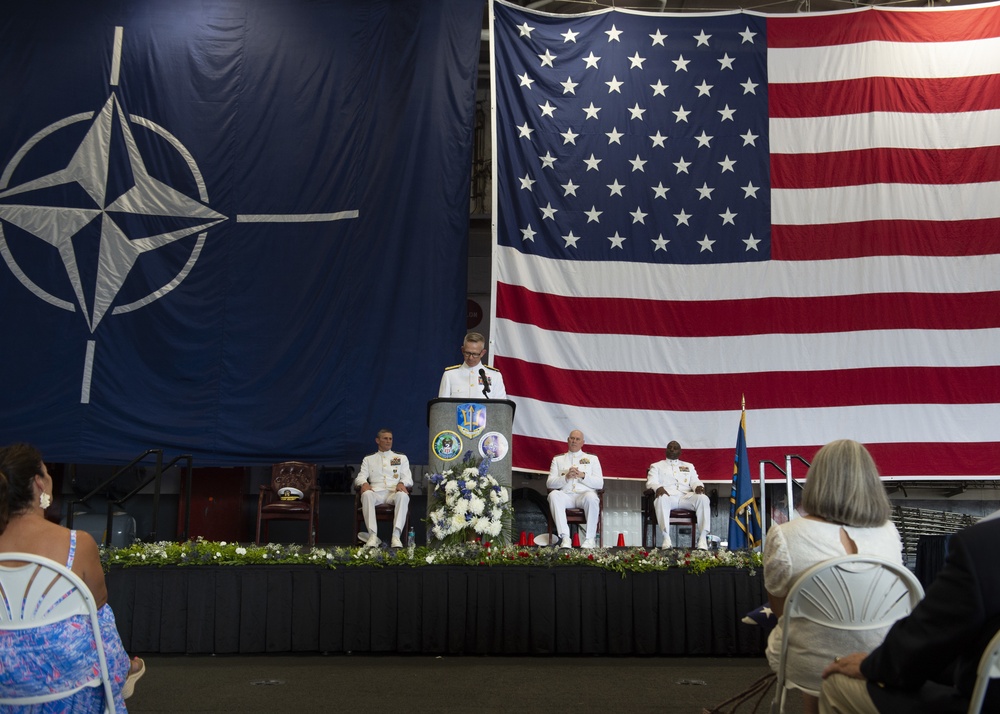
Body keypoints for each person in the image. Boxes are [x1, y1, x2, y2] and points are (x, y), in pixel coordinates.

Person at [0, 443, 145, 711]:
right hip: (66, 681)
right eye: (47, 472)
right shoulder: (78, 543)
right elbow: (99, 603)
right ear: (39, 483)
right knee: (98, 614)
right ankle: (120, 671)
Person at [763, 439, 902, 714]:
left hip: (811, 660)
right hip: (879, 657)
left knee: (802, 634)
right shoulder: (889, 531)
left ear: (816, 481)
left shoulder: (784, 534)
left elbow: (782, 614)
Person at [820, 515, 1000, 713]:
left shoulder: (984, 544)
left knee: (837, 683)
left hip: (981, 703)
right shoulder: (888, 532)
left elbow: (928, 636)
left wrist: (870, 666)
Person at [645, 440, 710, 550]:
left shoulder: (688, 466)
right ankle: (666, 538)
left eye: (675, 448)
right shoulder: (656, 466)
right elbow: (651, 482)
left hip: (686, 497)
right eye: (670, 447)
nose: (672, 449)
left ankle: (703, 539)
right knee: (661, 498)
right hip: (668, 497)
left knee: (703, 498)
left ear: (680, 452)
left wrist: (698, 486)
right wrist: (658, 488)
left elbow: (694, 480)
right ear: (666, 450)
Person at [354, 429, 413, 548]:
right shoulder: (369, 459)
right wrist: (363, 483)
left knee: (403, 496)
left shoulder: (401, 457)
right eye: (385, 438)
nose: (388, 441)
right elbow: (360, 477)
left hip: (393, 492)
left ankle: (396, 536)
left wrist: (402, 482)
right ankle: (372, 536)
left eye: (390, 439)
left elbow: (408, 478)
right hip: (377, 493)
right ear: (377, 440)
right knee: (366, 494)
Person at [546, 429, 604, 549]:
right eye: (572, 438)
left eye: (577, 439)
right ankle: (565, 538)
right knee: (553, 495)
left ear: (583, 442)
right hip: (566, 495)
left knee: (592, 497)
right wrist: (566, 478)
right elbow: (549, 484)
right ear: (568, 440)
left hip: (583, 495)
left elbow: (600, 484)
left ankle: (590, 539)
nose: (574, 441)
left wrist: (583, 476)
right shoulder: (558, 460)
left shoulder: (592, 459)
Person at [438, 331, 506, 399]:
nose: (470, 358)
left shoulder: (495, 376)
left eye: (475, 354)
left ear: (482, 353)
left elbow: (501, 407)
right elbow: (442, 407)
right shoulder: (449, 375)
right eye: (467, 353)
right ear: (462, 350)